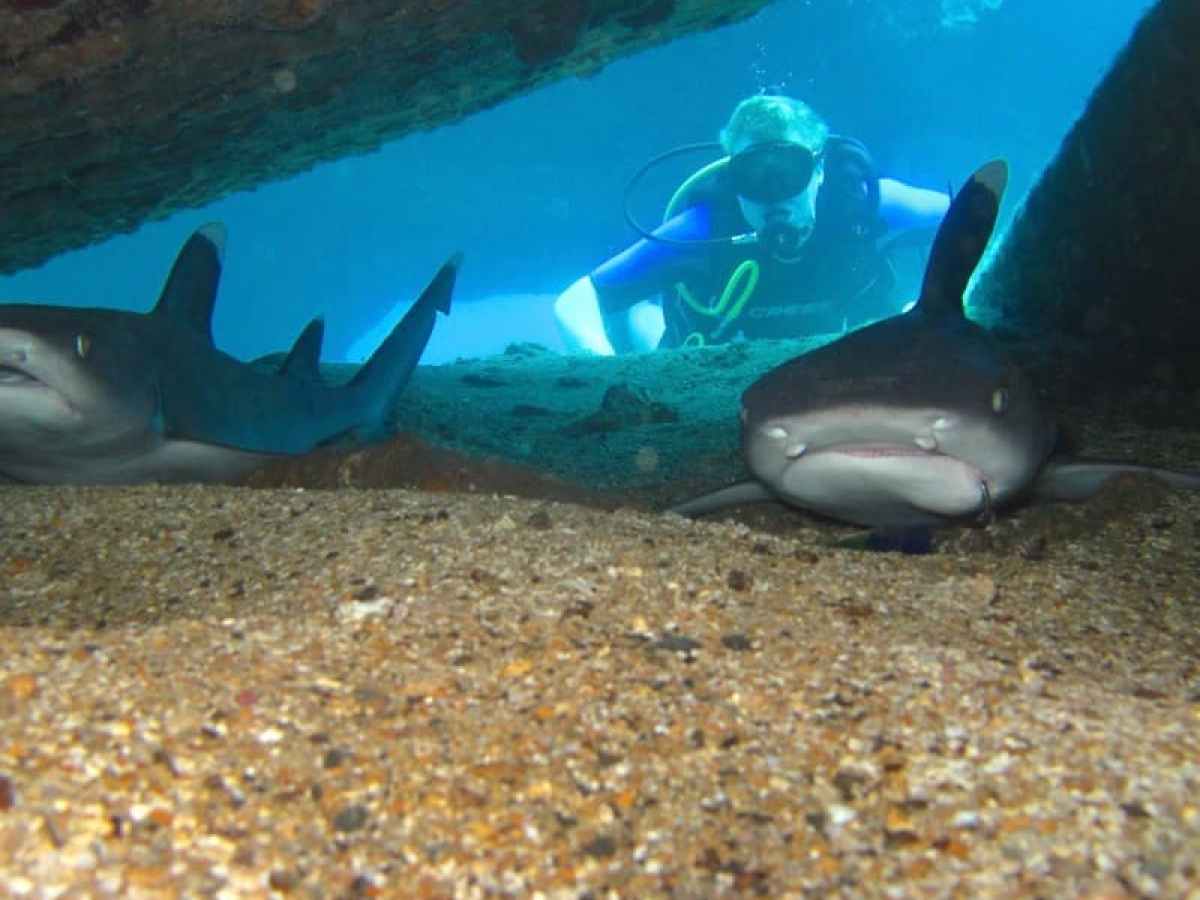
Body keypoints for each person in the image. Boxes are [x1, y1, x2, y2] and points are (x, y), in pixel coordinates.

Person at [553, 94, 951, 354]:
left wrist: (932, 303)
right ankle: (641, 316)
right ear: (732, 177)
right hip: (708, 359)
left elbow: (971, 217)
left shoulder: (865, 206)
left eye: (789, 172)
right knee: (642, 326)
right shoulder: (704, 229)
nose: (773, 195)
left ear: (819, 171)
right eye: (753, 177)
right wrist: (604, 367)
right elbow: (576, 300)